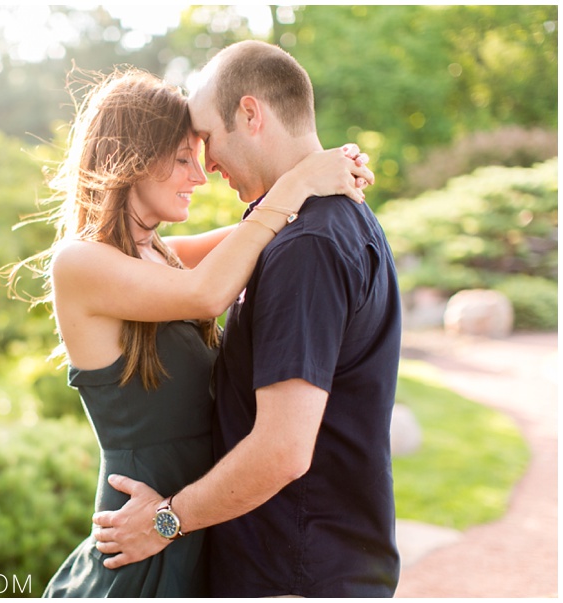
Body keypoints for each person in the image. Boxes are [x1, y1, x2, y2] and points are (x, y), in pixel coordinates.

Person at [9, 67, 373, 598]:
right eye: (183, 159)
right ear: (127, 159)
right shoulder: (81, 263)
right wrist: (297, 183)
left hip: (191, 522)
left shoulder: (161, 254)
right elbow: (209, 292)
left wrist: (323, 178)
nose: (199, 177)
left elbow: (262, 232)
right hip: (142, 536)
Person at [92, 41, 403, 597]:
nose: (205, 167)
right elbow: (195, 267)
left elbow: (282, 450)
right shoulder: (307, 224)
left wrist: (166, 520)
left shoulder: (307, 245)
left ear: (251, 114)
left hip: (295, 572)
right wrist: (301, 181)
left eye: (205, 141)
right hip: (302, 563)